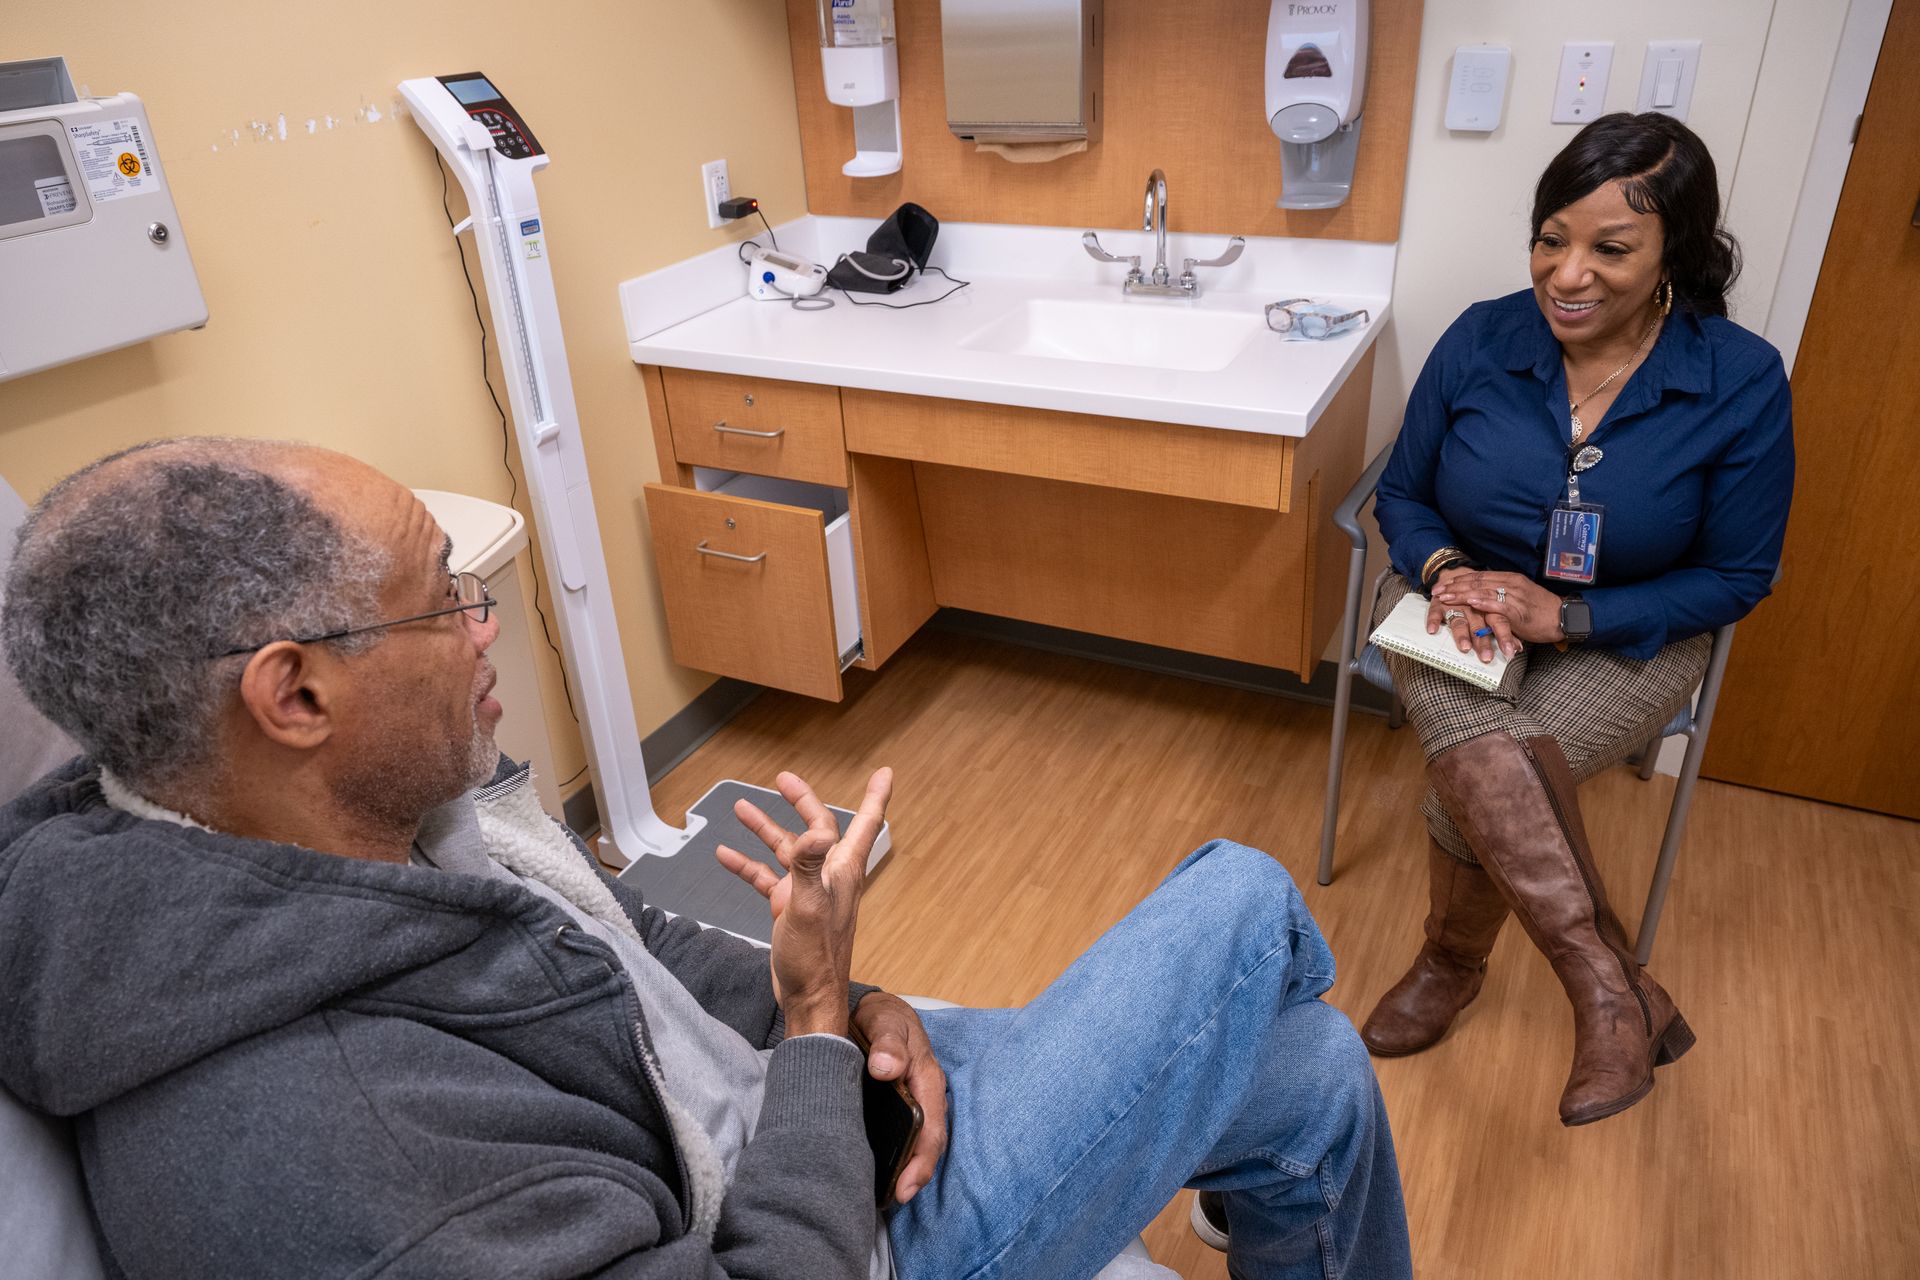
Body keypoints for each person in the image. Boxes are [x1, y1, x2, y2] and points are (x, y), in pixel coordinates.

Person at [0, 437, 1412, 1279]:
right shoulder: (340, 1143)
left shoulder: (370, 823)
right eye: (452, 603)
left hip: (781, 1124)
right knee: (1242, 901)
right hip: (825, 1241)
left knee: (1314, 1074)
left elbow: (599, 941)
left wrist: (851, 1008)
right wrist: (812, 1032)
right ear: (294, 694)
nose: (490, 630)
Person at [1358, 112, 1794, 1127]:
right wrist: (1451, 567)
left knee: (1468, 780)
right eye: (1551, 236)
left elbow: (1737, 572)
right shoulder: (1482, 335)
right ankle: (1611, 986)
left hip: (1634, 628)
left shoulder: (1738, 379)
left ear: (1674, 251)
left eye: (1610, 247)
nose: (1567, 273)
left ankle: (1451, 963)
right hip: (1444, 599)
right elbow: (1403, 495)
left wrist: (1571, 616)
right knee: (1487, 752)